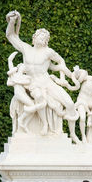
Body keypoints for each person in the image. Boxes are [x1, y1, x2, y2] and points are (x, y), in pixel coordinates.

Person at [6, 11, 80, 143]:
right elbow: (11, 35)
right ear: (34, 38)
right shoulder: (26, 48)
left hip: (46, 82)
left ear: (46, 42)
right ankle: (45, 124)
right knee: (39, 96)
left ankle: (73, 135)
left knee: (69, 103)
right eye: (40, 36)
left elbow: (61, 62)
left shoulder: (48, 52)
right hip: (32, 83)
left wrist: (68, 76)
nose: (43, 39)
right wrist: (12, 21)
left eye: (45, 38)